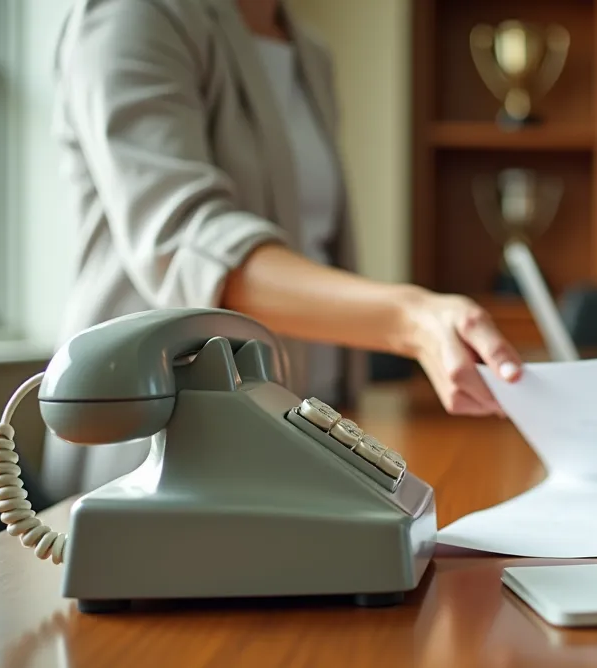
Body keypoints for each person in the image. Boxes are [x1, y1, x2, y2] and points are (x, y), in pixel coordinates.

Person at [41, 0, 523, 500]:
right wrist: (412, 317)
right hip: (160, 450)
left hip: (304, 431)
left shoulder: (310, 52)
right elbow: (193, 244)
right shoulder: (132, 16)